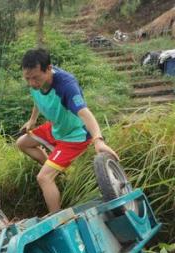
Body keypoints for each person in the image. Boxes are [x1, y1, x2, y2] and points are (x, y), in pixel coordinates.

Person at [16, 48, 119, 213]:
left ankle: (57, 218)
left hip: (74, 136)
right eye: (27, 78)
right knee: (22, 143)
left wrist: (98, 141)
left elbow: (85, 113)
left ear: (48, 69)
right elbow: (37, 97)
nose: (31, 83)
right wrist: (33, 120)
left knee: (43, 178)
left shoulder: (66, 85)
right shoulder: (35, 81)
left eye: (35, 78)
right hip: (56, 127)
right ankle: (57, 170)